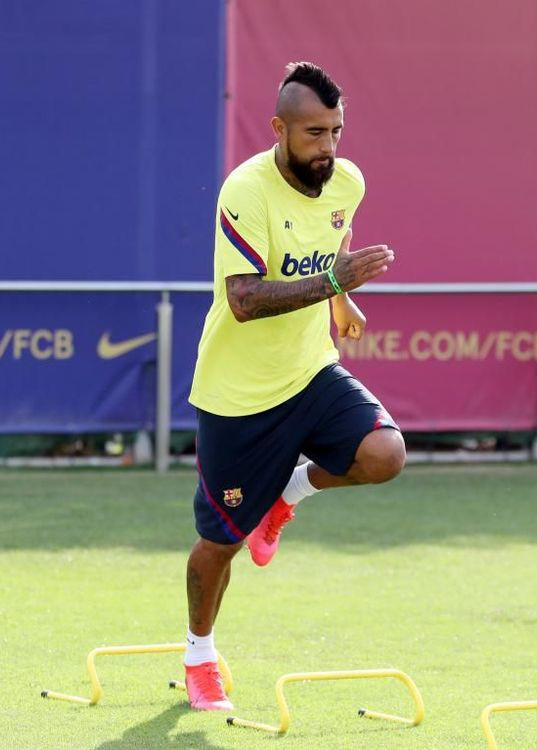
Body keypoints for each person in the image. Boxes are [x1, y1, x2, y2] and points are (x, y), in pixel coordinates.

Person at [179, 62, 405, 710]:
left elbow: (334, 240)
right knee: (218, 544)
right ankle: (199, 654)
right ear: (278, 128)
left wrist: (337, 306)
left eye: (335, 131)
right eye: (313, 133)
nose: (327, 148)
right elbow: (244, 300)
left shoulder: (347, 182)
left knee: (385, 454)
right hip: (239, 397)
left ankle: (288, 495)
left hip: (310, 370)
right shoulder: (244, 192)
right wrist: (335, 286)